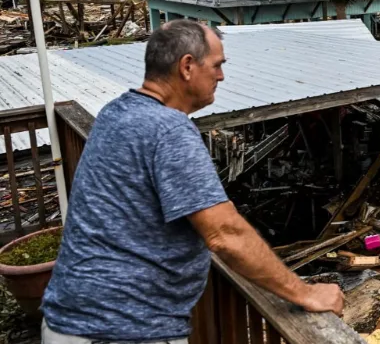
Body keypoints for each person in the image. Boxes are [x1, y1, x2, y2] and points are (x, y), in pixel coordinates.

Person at [41, 20, 343, 343]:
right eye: (216, 65)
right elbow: (224, 233)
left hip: (69, 321)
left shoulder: (116, 112)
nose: (221, 76)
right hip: (123, 330)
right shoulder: (168, 129)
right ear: (187, 67)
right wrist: (305, 292)